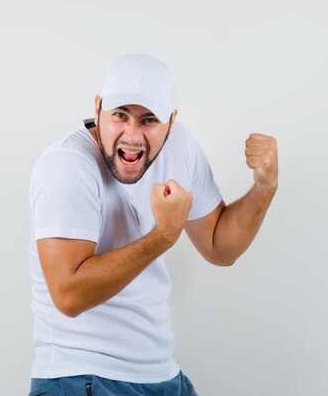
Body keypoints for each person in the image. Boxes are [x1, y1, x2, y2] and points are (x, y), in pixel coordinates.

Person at [28, 53, 278, 396]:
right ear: (98, 108)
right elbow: (68, 295)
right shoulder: (67, 165)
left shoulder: (181, 148)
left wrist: (264, 188)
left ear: (171, 122)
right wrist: (163, 235)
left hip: (163, 378)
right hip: (81, 377)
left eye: (148, 120)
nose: (131, 136)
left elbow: (220, 246)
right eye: (119, 116)